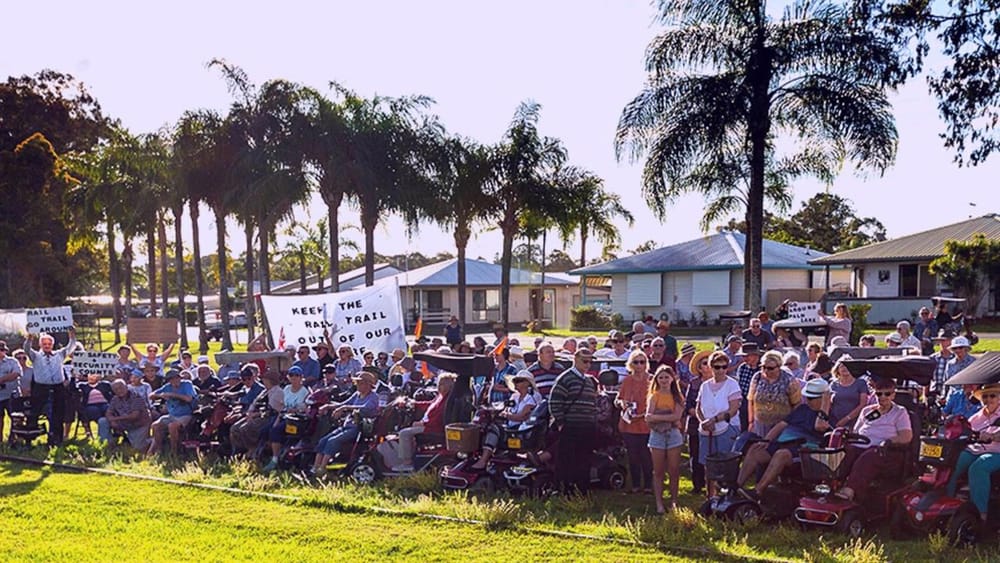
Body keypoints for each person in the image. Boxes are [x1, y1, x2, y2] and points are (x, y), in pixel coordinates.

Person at [738, 378, 832, 493]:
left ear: (823, 399)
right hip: (783, 443)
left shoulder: (827, 415)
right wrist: (766, 440)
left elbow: (820, 426)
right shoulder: (802, 409)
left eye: (811, 398)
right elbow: (781, 425)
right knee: (755, 449)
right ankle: (736, 488)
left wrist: (825, 406)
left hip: (804, 451)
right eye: (807, 397)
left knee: (781, 454)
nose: (807, 400)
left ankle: (758, 490)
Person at [837, 377, 913, 502]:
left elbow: (906, 437)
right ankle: (831, 486)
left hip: (887, 452)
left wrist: (888, 442)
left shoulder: (900, 412)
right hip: (862, 446)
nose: (883, 397)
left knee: (870, 456)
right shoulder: (867, 410)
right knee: (845, 451)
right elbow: (856, 432)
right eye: (879, 394)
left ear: (893, 395)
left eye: (887, 394)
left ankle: (850, 490)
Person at [946, 383, 1000, 524]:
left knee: (978, 467)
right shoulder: (976, 417)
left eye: (992, 396)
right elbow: (964, 431)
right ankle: (947, 506)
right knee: (951, 463)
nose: (988, 399)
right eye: (985, 396)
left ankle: (980, 514)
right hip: (975, 449)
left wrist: (993, 437)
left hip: (997, 452)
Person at [309, 371, 380, 477]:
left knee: (333, 441)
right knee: (324, 440)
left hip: (359, 429)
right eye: (358, 383)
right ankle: (315, 467)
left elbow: (367, 408)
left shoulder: (373, 397)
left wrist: (344, 408)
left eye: (361, 383)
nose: (358, 385)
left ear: (369, 385)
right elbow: (344, 404)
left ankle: (322, 469)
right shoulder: (357, 395)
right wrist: (327, 406)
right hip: (347, 425)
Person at [549, 348, 599, 495]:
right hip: (570, 426)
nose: (588, 364)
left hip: (587, 427)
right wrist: (561, 423)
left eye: (590, 361)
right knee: (566, 461)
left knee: (584, 461)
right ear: (575, 359)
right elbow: (554, 401)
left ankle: (581, 491)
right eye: (585, 361)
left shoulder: (589, 381)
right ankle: (563, 490)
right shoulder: (566, 378)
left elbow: (593, 405)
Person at [471, 371, 540, 470]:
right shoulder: (514, 396)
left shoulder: (533, 396)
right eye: (515, 381)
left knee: (494, 429)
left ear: (527, 383)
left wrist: (507, 415)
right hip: (510, 427)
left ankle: (483, 460)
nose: (515, 383)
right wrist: (507, 415)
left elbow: (521, 416)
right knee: (485, 425)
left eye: (519, 381)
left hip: (523, 431)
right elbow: (505, 411)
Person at [696, 351, 742, 496]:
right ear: (711, 367)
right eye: (717, 367)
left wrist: (714, 420)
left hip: (726, 428)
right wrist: (703, 421)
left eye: (724, 367)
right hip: (706, 430)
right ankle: (711, 496)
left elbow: (733, 409)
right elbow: (698, 407)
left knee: (725, 464)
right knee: (707, 464)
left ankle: (728, 495)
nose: (721, 370)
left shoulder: (732, 384)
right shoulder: (704, 386)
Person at [390, 373, 456, 472]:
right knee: (407, 428)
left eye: (441, 384)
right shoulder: (440, 397)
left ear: (448, 386)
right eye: (439, 383)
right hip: (428, 424)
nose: (438, 386)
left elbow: (438, 419)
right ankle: (410, 455)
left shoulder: (447, 401)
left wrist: (422, 424)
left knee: (404, 433)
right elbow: (430, 405)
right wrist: (414, 403)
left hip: (433, 428)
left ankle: (407, 463)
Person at [23, 328, 77, 446]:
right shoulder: (35, 356)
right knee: (35, 413)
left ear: (52, 344)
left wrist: (71, 334)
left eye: (49, 344)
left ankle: (57, 439)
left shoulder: (59, 354)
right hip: (40, 387)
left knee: (59, 413)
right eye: (44, 344)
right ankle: (30, 439)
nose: (47, 346)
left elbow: (71, 347)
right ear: (40, 344)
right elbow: (26, 348)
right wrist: (30, 337)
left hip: (58, 387)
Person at [646, 365, 685, 513]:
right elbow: (648, 418)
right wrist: (666, 418)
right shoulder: (654, 396)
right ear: (656, 379)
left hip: (673, 435)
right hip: (657, 435)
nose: (663, 380)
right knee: (658, 471)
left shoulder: (677, 396)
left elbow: (677, 416)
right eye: (661, 377)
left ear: (672, 379)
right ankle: (659, 503)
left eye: (666, 377)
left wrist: (657, 417)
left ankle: (674, 501)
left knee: (674, 469)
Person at [616, 350, 653, 493]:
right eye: (636, 362)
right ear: (631, 364)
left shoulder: (652, 380)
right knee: (632, 456)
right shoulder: (627, 380)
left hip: (646, 423)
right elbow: (618, 398)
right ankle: (636, 484)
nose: (639, 365)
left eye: (642, 362)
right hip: (629, 423)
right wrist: (621, 403)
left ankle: (649, 485)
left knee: (646, 455)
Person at [262, 367, 310, 472]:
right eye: (291, 375)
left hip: (297, 420)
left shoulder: (304, 391)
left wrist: (295, 410)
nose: (294, 377)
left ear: (301, 377)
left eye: (296, 375)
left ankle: (275, 459)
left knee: (276, 430)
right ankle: (270, 454)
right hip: (284, 416)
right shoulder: (287, 389)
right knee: (266, 429)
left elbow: (304, 408)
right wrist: (277, 420)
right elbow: (283, 407)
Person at [747, 350, 802, 437]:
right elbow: (750, 400)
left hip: (781, 426)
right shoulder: (757, 377)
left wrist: (790, 423)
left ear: (779, 367)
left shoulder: (789, 380)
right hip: (760, 425)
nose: (766, 371)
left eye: (770, 368)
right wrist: (751, 422)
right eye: (763, 367)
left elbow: (797, 403)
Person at [229, 371, 283, 455]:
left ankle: (252, 448)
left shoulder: (278, 392)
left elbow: (270, 409)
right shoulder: (264, 391)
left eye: (265, 379)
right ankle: (240, 449)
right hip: (255, 414)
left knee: (246, 428)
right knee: (234, 428)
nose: (263, 381)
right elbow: (254, 403)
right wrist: (249, 412)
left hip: (268, 417)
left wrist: (255, 415)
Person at [146, 369, 198, 456]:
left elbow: (189, 398)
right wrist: (161, 395)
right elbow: (151, 396)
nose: (175, 381)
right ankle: (159, 449)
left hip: (186, 414)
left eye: (177, 378)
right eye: (172, 379)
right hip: (172, 414)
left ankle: (174, 451)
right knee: (155, 425)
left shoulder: (187, 384)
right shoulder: (167, 387)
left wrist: (173, 395)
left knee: (172, 426)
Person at [686, 350, 713, 495]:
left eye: (710, 363)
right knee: (695, 455)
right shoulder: (694, 383)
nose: (708, 366)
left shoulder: (719, 383)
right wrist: (699, 415)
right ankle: (697, 484)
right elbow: (688, 404)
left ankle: (715, 484)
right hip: (695, 424)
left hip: (716, 425)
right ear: (699, 367)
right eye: (705, 363)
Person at [98, 379, 151, 450]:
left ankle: (155, 440)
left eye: (121, 387)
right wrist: (112, 421)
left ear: (126, 387)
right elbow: (108, 412)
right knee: (103, 421)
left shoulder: (136, 396)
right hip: (125, 423)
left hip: (138, 424)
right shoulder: (115, 399)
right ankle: (108, 444)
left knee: (138, 447)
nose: (119, 390)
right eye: (116, 389)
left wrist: (115, 419)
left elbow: (134, 416)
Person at [829, 358, 869, 428]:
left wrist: (847, 418)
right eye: (842, 366)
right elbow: (829, 402)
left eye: (848, 366)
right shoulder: (833, 384)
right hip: (835, 422)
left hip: (854, 422)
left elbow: (863, 404)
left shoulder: (860, 383)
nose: (845, 368)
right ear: (837, 369)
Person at [734, 343, 762, 430]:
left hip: (758, 403)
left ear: (755, 356)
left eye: (746, 356)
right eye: (743, 356)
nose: (744, 359)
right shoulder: (742, 367)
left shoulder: (763, 369)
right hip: (743, 402)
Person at [0, 340, 22, 437]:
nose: (0, 352)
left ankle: (14, 439)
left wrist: (1, 380)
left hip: (12, 395)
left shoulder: (12, 361)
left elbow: (16, 374)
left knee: (15, 419)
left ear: (5, 351)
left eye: (2, 350)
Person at [929, 329, 957, 394]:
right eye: (942, 341)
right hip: (935, 390)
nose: (945, 343)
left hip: (952, 391)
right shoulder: (933, 358)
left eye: (948, 340)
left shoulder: (956, 358)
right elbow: (927, 378)